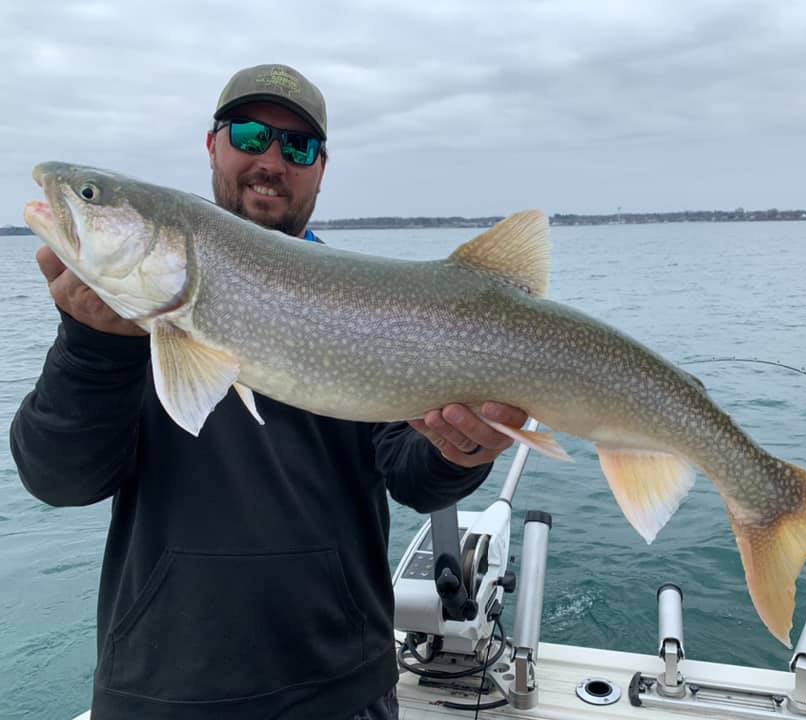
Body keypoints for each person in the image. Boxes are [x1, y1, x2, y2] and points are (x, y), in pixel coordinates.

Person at [11, 64, 527, 720]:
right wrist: (92, 348)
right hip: (161, 693)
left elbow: (414, 478)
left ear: (320, 167)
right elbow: (60, 480)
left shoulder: (376, 312)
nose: (272, 160)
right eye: (251, 135)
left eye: (298, 146)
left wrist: (465, 452)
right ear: (213, 146)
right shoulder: (125, 322)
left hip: (341, 691)